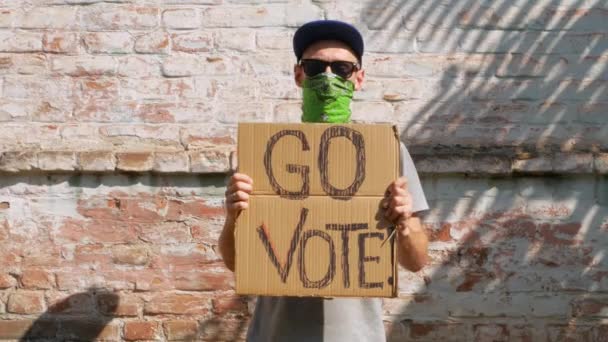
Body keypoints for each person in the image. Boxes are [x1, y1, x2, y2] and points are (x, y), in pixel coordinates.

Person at [218, 20, 429, 342]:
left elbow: (416, 262)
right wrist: (234, 216)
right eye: (316, 67)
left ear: (358, 78)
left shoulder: (387, 152)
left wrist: (405, 223)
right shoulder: (264, 154)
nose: (328, 77)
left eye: (342, 68)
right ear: (299, 75)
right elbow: (235, 263)